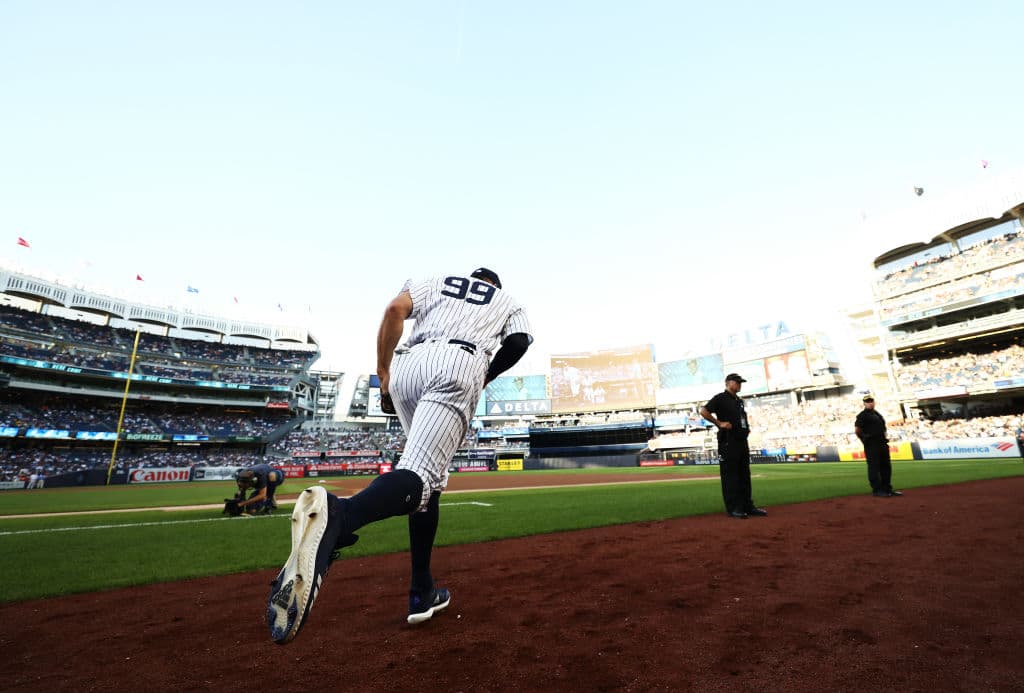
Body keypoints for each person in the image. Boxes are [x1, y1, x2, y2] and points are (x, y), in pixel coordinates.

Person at [267, 267, 532, 645]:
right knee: (421, 477)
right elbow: (520, 342)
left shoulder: (437, 281)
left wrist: (384, 372)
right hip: (460, 363)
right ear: (495, 284)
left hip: (408, 366)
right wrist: (486, 373)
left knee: (429, 480)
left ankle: (421, 590)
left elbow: (394, 311)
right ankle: (341, 516)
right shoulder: (506, 300)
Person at [699, 373, 767, 519]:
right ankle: (734, 508)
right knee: (731, 476)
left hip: (741, 441)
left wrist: (746, 428)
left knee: (744, 475)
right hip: (728, 441)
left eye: (740, 382)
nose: (739, 384)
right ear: (728, 383)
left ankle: (747, 506)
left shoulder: (739, 401)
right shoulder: (720, 398)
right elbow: (703, 411)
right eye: (737, 382)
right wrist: (719, 423)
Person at [854, 395, 902, 497]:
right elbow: (857, 430)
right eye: (867, 401)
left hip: (882, 443)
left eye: (871, 401)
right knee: (874, 467)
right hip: (872, 444)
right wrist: (865, 440)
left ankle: (887, 488)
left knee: (886, 466)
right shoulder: (862, 415)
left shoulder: (877, 414)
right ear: (864, 403)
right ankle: (877, 490)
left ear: (874, 402)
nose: (870, 403)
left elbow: (883, 428)